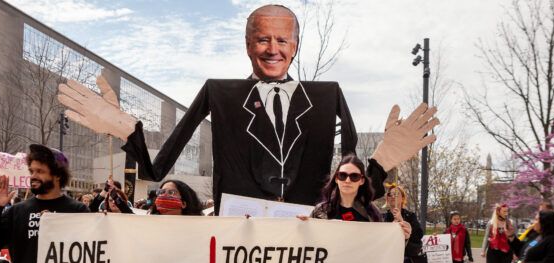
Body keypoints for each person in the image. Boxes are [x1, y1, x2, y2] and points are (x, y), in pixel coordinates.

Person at [58, 5, 438, 212]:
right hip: (241, 241)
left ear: (295, 45)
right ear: (247, 44)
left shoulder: (328, 96)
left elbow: (350, 184)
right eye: (262, 39)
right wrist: (129, 131)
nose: (273, 48)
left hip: (305, 238)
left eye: (282, 39)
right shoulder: (219, 93)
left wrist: (383, 159)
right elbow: (155, 170)